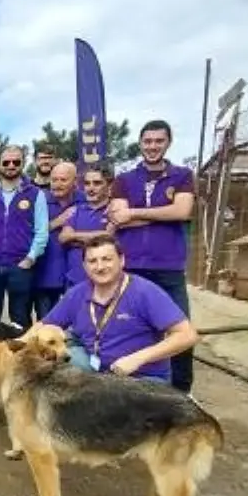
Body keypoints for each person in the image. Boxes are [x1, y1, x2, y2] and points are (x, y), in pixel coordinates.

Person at [107, 119, 197, 395]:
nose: (153, 146)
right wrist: (164, 214)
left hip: (168, 268)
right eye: (148, 141)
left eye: (159, 141)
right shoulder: (124, 180)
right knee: (127, 328)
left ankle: (182, 392)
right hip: (131, 266)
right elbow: (116, 220)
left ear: (168, 142)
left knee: (179, 330)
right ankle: (131, 388)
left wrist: (134, 213)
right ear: (140, 143)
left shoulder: (182, 176)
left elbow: (182, 212)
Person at [41, 234, 198, 383]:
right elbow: (44, 326)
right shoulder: (77, 293)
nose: (100, 266)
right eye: (92, 261)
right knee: (65, 359)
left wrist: (138, 358)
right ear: (84, 266)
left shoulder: (145, 292)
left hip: (141, 378)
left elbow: (187, 335)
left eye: (107, 259)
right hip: (98, 373)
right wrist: (17, 348)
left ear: (122, 260)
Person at [0, 145, 49, 329]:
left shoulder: (35, 194)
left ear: (23, 163)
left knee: (20, 320)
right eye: (6, 162)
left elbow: (42, 230)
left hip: (20, 265)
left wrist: (30, 258)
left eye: (16, 161)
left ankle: (20, 357)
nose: (11, 165)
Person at [33, 161, 81, 319]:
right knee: (47, 324)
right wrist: (56, 222)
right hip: (46, 274)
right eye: (54, 180)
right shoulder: (39, 201)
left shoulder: (86, 200)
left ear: (75, 182)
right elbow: (26, 233)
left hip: (78, 274)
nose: (57, 184)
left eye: (63, 180)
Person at [60, 164, 116, 287]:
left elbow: (108, 238)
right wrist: (96, 237)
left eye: (97, 183)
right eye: (87, 183)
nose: (90, 188)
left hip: (105, 281)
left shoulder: (114, 210)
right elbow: (63, 237)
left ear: (109, 185)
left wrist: (75, 238)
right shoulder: (75, 211)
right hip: (75, 280)